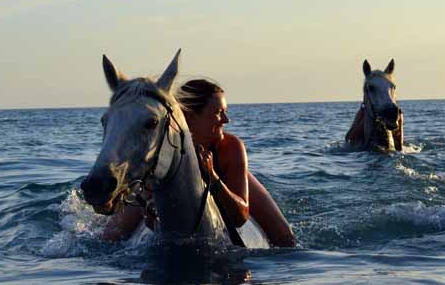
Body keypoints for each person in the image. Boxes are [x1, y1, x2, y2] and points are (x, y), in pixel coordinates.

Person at [101, 79, 298, 247]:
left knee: (285, 239)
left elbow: (239, 218)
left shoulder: (229, 147)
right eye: (219, 112)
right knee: (109, 238)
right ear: (189, 117)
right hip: (168, 180)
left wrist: (213, 177)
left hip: (222, 176)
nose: (226, 120)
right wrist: (152, 214)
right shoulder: (165, 148)